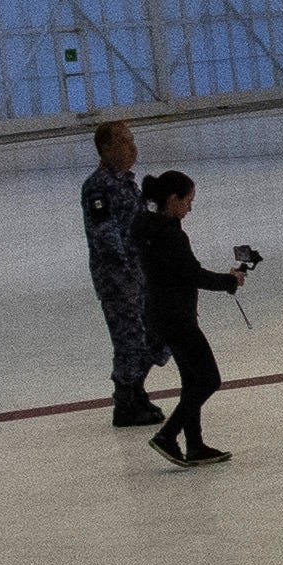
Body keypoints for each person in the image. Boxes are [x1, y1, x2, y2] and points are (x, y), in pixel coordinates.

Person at [132, 171, 245, 467]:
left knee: (192, 380)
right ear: (173, 199)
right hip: (177, 318)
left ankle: (195, 445)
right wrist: (229, 281)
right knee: (209, 379)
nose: (190, 208)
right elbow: (192, 274)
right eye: (188, 201)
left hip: (160, 315)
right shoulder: (171, 235)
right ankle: (168, 435)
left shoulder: (146, 227)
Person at [82, 120, 167, 428]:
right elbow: (105, 234)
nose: (132, 148)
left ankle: (137, 390)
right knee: (129, 339)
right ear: (106, 148)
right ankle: (126, 401)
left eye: (133, 141)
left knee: (156, 334)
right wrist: (128, 271)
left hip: (142, 273)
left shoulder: (127, 183)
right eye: (124, 142)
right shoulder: (98, 186)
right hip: (118, 280)